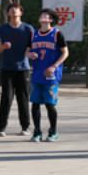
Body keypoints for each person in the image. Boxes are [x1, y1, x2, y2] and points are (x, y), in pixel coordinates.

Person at [28, 8, 68, 142]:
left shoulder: (57, 34)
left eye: (46, 15)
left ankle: (53, 130)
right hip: (37, 74)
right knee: (35, 104)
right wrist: (30, 54)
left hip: (51, 75)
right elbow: (26, 52)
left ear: (51, 20)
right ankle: (37, 131)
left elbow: (65, 53)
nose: (43, 16)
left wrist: (54, 66)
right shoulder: (33, 35)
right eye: (41, 15)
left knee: (49, 104)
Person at [0, 3, 34, 137]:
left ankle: (25, 127)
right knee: (6, 98)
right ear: (8, 13)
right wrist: (3, 46)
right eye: (11, 9)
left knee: (23, 98)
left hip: (23, 68)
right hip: (7, 68)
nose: (14, 10)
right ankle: (1, 128)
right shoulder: (2, 29)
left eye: (17, 9)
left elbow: (33, 47)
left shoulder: (28, 29)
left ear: (21, 13)